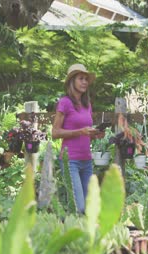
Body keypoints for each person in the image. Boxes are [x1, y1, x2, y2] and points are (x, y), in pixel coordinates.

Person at [52, 63, 105, 214]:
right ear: (72, 81)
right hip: (70, 161)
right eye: (81, 78)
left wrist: (96, 134)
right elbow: (55, 133)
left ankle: (85, 236)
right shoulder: (64, 102)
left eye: (86, 79)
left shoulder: (87, 105)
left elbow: (86, 135)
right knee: (79, 207)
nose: (85, 82)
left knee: (89, 207)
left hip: (86, 160)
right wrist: (80, 131)